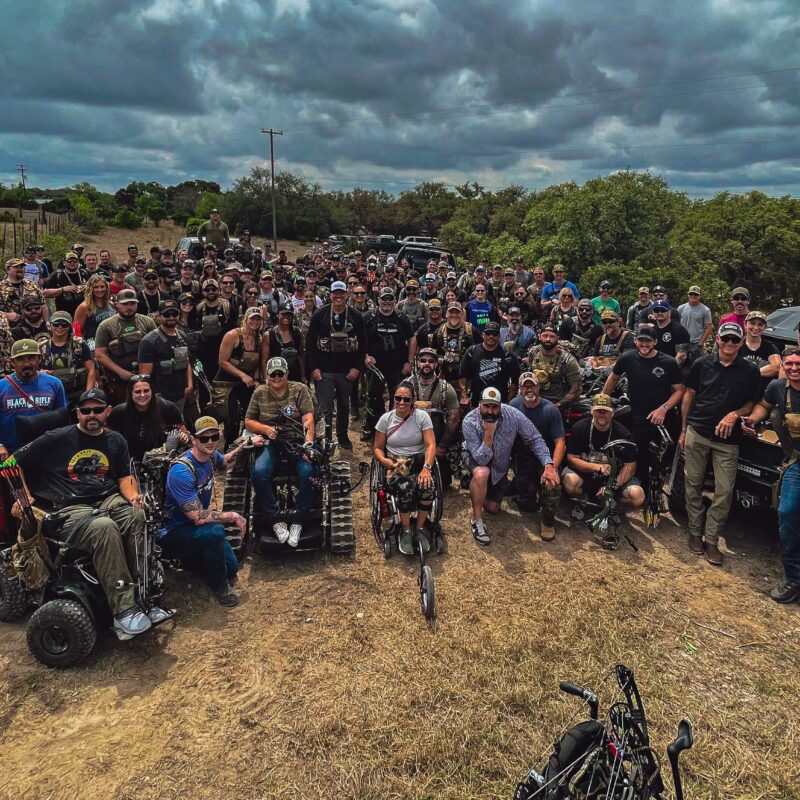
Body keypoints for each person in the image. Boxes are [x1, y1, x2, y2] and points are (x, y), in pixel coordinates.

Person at [13, 388, 156, 637]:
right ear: (77, 413)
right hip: (68, 506)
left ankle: (145, 595)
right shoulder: (55, 438)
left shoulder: (115, 440)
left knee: (138, 517)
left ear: (107, 412)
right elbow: (12, 463)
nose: (92, 415)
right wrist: (22, 497)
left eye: (98, 410)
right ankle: (124, 610)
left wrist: (134, 497)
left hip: (108, 498)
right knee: (104, 528)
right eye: (86, 410)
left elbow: (124, 476)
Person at [680, 323, 760, 565]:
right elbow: (689, 395)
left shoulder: (750, 370)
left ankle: (712, 539)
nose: (729, 344)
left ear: (741, 341)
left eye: (734, 340)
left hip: (729, 440)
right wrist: (684, 429)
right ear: (717, 339)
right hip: (698, 432)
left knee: (724, 491)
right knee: (692, 484)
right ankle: (695, 532)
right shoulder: (702, 364)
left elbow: (751, 403)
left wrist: (735, 414)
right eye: (725, 339)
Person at [161, 416, 246, 606]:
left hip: (194, 529)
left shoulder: (210, 456)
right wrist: (232, 516)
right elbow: (198, 517)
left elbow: (224, 462)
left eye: (214, 437)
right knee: (215, 531)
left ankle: (192, 561)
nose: (210, 442)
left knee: (230, 568)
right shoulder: (181, 472)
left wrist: (245, 445)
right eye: (204, 438)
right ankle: (220, 587)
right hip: (175, 531)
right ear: (193, 439)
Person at [462, 386, 558, 546]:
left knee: (493, 508)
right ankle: (477, 520)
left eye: (495, 407)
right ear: (479, 404)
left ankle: (478, 492)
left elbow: (535, 438)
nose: (490, 411)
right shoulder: (469, 421)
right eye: (486, 406)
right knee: (481, 473)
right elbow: (481, 459)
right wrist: (488, 435)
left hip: (500, 465)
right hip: (476, 457)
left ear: (501, 406)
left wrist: (548, 464)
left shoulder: (513, 415)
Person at [742, 346, 800, 603]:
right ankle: (794, 578)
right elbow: (764, 407)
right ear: (782, 366)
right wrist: (751, 420)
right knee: (787, 512)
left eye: (799, 364)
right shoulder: (778, 388)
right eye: (790, 365)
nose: (795, 369)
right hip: (796, 462)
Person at [246, 357, 318, 547]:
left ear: (286, 374)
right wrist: (265, 429)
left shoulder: (299, 389)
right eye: (273, 374)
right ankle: (275, 518)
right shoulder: (260, 392)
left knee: (309, 472)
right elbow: (248, 421)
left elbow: (308, 419)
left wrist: (308, 444)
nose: (276, 378)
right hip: (271, 442)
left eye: (280, 374)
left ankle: (299, 520)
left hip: (296, 441)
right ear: (267, 376)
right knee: (259, 471)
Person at [603, 325, 684, 484]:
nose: (644, 344)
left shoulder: (668, 362)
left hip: (661, 419)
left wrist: (663, 409)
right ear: (635, 341)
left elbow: (680, 390)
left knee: (660, 460)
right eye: (641, 340)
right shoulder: (627, 358)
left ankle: (656, 489)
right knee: (638, 456)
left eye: (648, 341)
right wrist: (603, 401)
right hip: (636, 416)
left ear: (655, 342)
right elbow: (613, 377)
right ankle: (637, 486)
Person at [374, 381, 438, 555]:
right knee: (405, 488)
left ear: (413, 400)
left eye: (406, 399)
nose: (401, 403)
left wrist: (426, 468)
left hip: (418, 461)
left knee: (427, 488)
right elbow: (378, 448)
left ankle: (419, 528)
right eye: (398, 398)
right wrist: (384, 461)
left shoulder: (422, 417)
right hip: (396, 463)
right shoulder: (385, 419)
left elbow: (431, 444)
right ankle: (406, 530)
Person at [305, 281, 366, 450]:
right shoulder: (320, 314)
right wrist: (313, 369)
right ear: (330, 295)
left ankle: (343, 436)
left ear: (347, 294)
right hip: (324, 370)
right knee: (325, 408)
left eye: (341, 293)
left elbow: (363, 344)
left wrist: (357, 368)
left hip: (347, 371)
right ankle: (326, 439)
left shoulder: (355, 316)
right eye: (335, 293)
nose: (338, 296)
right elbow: (310, 343)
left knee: (344, 406)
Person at [562, 393, 645, 510]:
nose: (602, 415)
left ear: (612, 413)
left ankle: (612, 501)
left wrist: (612, 486)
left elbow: (630, 466)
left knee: (637, 496)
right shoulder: (579, 428)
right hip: (586, 474)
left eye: (605, 411)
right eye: (598, 411)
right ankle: (584, 497)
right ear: (591, 411)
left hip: (614, 478)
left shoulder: (623, 434)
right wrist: (597, 467)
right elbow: (571, 459)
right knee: (570, 484)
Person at [510, 372, 565, 540]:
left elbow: (560, 443)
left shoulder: (550, 410)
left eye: (532, 385)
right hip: (523, 458)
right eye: (525, 386)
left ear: (538, 387)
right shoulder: (513, 406)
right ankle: (522, 486)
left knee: (551, 483)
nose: (529, 389)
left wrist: (552, 468)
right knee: (527, 505)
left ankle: (547, 523)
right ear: (519, 389)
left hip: (545, 458)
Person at [0, 339, 68, 458]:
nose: (26, 364)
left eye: (31, 358)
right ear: (12, 362)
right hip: (10, 455)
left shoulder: (54, 384)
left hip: (46, 452)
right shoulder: (2, 386)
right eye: (20, 359)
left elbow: (63, 419)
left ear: (39, 359)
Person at [363, 289, 416, 438]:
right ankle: (372, 427)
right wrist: (365, 356)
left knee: (399, 397)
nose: (387, 301)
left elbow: (412, 339)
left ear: (394, 300)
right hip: (375, 366)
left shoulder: (401, 316)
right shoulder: (369, 317)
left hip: (398, 365)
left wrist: (409, 361)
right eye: (384, 298)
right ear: (378, 300)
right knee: (373, 397)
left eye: (390, 298)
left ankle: (398, 427)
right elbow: (360, 339)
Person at [405, 348, 460, 486]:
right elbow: (395, 414)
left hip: (436, 439)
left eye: (431, 361)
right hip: (411, 439)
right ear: (417, 363)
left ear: (436, 364)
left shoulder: (445, 388)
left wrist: (441, 446)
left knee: (443, 483)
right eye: (423, 361)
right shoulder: (406, 385)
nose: (426, 364)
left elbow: (454, 419)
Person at [212, 306, 264, 445]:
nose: (255, 322)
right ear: (245, 319)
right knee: (231, 418)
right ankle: (229, 447)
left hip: (245, 384)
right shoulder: (232, 336)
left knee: (250, 415)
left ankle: (246, 446)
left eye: (258, 319)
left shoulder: (258, 339)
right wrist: (242, 375)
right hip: (226, 384)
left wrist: (257, 379)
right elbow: (222, 361)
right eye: (252, 318)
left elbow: (258, 363)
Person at [94, 289, 156, 404]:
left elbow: (156, 349)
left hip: (146, 376)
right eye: (125, 304)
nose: (129, 307)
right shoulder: (106, 325)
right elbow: (99, 354)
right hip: (119, 379)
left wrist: (146, 374)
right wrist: (120, 372)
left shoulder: (148, 322)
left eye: (132, 303)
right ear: (117, 304)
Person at [108, 375, 187, 462]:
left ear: (152, 391)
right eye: (137, 392)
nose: (142, 395)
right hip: (130, 461)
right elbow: (109, 438)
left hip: (162, 459)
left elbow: (185, 435)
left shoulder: (167, 407)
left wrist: (182, 437)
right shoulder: (119, 412)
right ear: (130, 393)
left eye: (146, 391)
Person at [137, 298, 193, 414]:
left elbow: (187, 362)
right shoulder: (149, 341)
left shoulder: (182, 336)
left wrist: (190, 385)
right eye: (167, 314)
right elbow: (144, 376)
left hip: (180, 394)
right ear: (158, 316)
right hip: (160, 397)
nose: (171, 317)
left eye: (174, 314)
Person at [459, 321, 520, 407]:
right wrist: (464, 396)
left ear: (499, 336)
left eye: (494, 334)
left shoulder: (507, 355)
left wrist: (508, 402)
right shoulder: (472, 351)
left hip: (500, 403)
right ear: (483, 335)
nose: (491, 336)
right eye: (488, 333)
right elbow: (462, 375)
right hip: (477, 402)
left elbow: (515, 380)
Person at [40, 310, 96, 401]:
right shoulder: (41, 347)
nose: (60, 327)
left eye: (64, 324)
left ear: (70, 326)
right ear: (50, 325)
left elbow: (91, 370)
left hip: (78, 393)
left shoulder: (79, 344)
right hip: (51, 395)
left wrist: (87, 395)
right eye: (56, 324)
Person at [525, 323, 581, 410]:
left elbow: (576, 389)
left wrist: (558, 405)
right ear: (539, 337)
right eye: (545, 336)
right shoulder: (533, 352)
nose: (548, 339)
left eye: (552, 336)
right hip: (534, 398)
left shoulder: (568, 360)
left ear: (557, 338)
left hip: (555, 402)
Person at [740, 310, 780, 397]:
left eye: (760, 324)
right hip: (740, 390)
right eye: (752, 323)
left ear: (765, 327)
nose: (755, 327)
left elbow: (777, 367)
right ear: (745, 324)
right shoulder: (737, 344)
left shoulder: (770, 346)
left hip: (763, 393)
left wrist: (751, 373)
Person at [1, 257, 45, 327]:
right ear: (8, 270)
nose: (20, 269)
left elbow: (43, 305)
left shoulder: (32, 285)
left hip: (34, 326)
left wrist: (47, 323)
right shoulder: (1, 288)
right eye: (16, 267)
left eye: (22, 267)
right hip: (9, 328)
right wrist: (7, 315)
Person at [266, 303, 305, 383]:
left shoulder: (297, 332)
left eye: (289, 314)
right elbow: (264, 359)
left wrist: (303, 375)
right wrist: (265, 377)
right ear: (277, 315)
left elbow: (301, 355)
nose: (286, 317)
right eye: (283, 314)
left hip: (295, 374)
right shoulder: (269, 334)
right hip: (276, 375)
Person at [73, 275, 115, 346]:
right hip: (93, 345)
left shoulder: (111, 304)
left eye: (102, 286)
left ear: (106, 287)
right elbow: (76, 330)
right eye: (96, 287)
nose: (100, 290)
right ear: (90, 289)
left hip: (112, 344)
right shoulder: (84, 307)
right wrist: (86, 347)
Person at [43, 251, 88, 317]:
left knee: (79, 327)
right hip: (63, 314)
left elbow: (95, 289)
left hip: (83, 313)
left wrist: (87, 287)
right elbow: (45, 293)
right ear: (64, 263)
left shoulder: (84, 273)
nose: (72, 263)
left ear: (78, 262)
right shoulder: (57, 275)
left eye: (75, 261)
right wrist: (62, 289)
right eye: (69, 261)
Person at [677, 286, 713, 363]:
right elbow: (676, 324)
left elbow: (709, 328)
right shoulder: (681, 308)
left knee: (697, 366)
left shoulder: (705, 310)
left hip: (696, 343)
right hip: (682, 343)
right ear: (688, 295)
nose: (693, 296)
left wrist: (701, 342)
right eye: (691, 294)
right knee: (679, 365)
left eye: (696, 294)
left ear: (699, 296)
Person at [651, 300, 691, 366]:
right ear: (653, 313)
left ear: (669, 312)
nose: (660, 313)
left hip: (677, 370)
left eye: (663, 310)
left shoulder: (679, 329)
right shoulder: (652, 331)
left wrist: (669, 370)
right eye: (657, 310)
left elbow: (681, 356)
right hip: (657, 369)